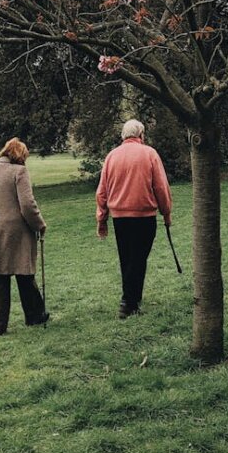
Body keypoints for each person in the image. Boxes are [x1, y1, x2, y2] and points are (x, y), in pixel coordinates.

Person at [96, 119, 173, 319]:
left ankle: (131, 300)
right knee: (138, 259)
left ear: (123, 135)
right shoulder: (149, 154)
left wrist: (102, 219)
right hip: (144, 216)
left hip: (119, 217)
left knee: (127, 258)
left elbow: (102, 192)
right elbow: (161, 187)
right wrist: (166, 212)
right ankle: (128, 302)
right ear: (141, 134)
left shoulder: (112, 156)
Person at [0, 137, 49, 336]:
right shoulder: (19, 172)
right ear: (19, 155)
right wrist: (40, 225)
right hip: (18, 231)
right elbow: (27, 205)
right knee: (24, 273)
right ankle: (35, 316)